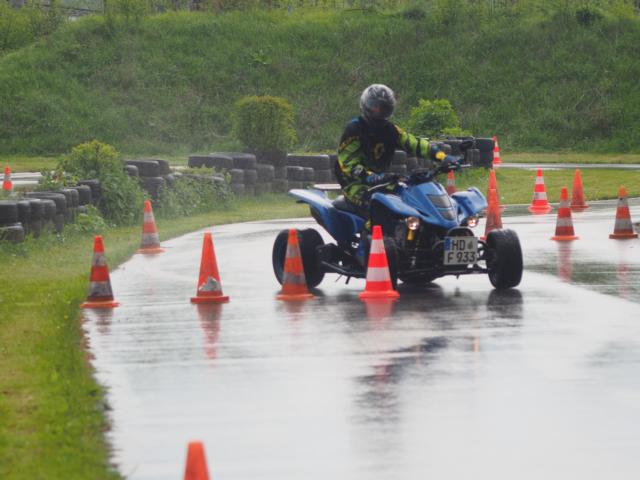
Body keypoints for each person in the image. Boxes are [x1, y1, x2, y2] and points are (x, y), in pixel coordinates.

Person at [336, 84, 457, 217]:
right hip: (355, 184)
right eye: (375, 107)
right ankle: (372, 231)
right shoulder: (355, 129)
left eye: (383, 107)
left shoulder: (391, 130)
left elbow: (414, 144)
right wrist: (369, 176)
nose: (379, 111)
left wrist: (441, 156)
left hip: (382, 181)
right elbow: (347, 163)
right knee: (378, 208)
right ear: (366, 106)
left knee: (409, 199)